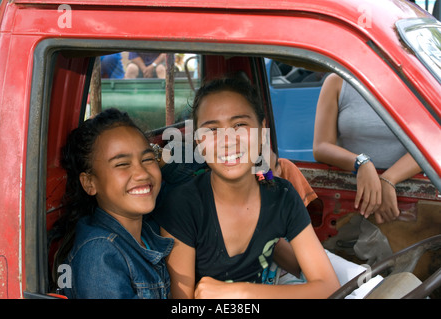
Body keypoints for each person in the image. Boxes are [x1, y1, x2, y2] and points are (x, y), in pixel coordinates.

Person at [153, 77, 339, 299]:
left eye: (240, 125)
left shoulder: (282, 196)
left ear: (262, 130)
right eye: (212, 129)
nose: (227, 140)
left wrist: (240, 293)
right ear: (198, 141)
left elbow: (329, 287)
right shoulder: (183, 205)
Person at [51, 108, 173, 299]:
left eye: (148, 159)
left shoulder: (147, 231)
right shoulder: (100, 255)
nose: (142, 173)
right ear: (90, 183)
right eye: (122, 164)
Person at [313, 73, 421, 224]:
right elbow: (321, 147)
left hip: (408, 202)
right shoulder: (338, 81)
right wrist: (362, 163)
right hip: (349, 201)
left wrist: (389, 179)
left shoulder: (419, 81)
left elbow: (433, 144)